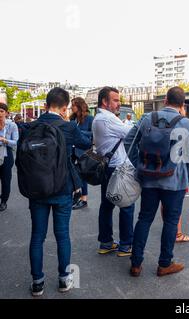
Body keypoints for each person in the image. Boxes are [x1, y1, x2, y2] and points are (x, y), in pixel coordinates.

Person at [125, 86, 189, 277]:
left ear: (165, 100)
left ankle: (135, 264)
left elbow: (128, 142)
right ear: (182, 105)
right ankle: (164, 264)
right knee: (171, 221)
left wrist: (139, 165)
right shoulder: (187, 124)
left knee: (144, 218)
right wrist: (187, 178)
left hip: (148, 178)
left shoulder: (147, 118)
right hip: (175, 182)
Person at [25, 88, 91, 296]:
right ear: (64, 108)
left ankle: (37, 283)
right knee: (62, 235)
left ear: (45, 106)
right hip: (62, 188)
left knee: (37, 236)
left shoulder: (31, 126)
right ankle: (64, 279)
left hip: (36, 189)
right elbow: (86, 143)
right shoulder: (69, 126)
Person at [92, 87, 135, 257]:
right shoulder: (108, 119)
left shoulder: (99, 118)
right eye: (116, 100)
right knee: (126, 205)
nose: (119, 103)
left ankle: (106, 242)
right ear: (105, 101)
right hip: (118, 168)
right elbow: (131, 133)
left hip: (108, 167)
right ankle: (125, 245)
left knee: (107, 205)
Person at [70, 97, 94, 210]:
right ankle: (76, 193)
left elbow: (93, 134)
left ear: (79, 106)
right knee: (71, 172)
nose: (71, 107)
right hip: (72, 149)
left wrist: (78, 132)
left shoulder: (89, 118)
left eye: (73, 105)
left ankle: (84, 199)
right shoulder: (72, 119)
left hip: (84, 150)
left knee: (83, 175)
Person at [0, 103, 19, 212]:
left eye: (2, 111)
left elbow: (15, 142)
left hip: (6, 155)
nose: (0, 114)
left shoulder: (12, 125)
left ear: (6, 113)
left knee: (6, 180)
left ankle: (4, 201)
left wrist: (4, 140)